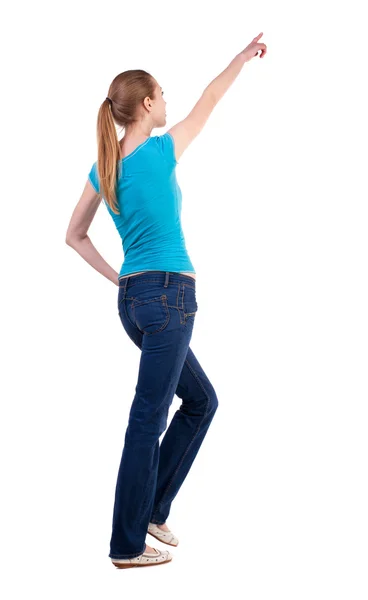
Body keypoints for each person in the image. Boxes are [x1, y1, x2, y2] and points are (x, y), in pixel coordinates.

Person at [65, 33, 267, 569]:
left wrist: (121, 280)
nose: (169, 103)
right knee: (146, 418)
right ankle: (126, 545)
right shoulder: (159, 149)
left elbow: (74, 235)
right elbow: (211, 98)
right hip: (170, 297)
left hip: (135, 302)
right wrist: (240, 60)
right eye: (162, 95)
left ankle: (153, 510)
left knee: (201, 401)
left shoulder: (103, 168)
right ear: (148, 105)